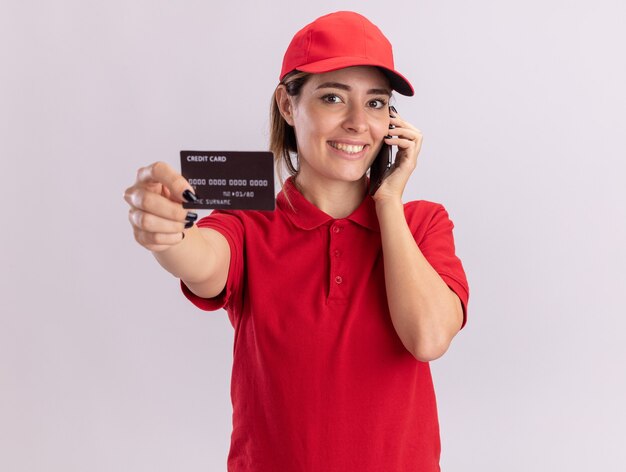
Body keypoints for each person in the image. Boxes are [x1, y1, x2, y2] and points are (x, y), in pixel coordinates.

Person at [124, 11, 469, 472]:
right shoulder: (248, 224)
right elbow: (204, 261)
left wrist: (388, 200)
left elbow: (427, 338)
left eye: (376, 103)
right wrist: (168, 236)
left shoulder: (422, 223)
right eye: (332, 98)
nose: (357, 123)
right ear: (289, 106)